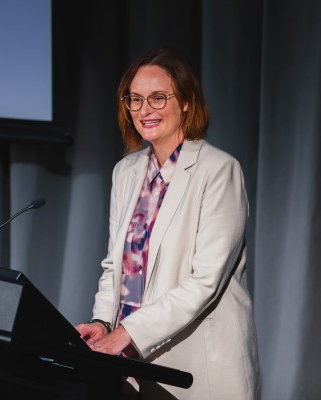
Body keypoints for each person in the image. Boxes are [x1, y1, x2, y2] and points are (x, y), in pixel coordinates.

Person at [75, 48, 260, 399]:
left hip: (198, 366)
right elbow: (116, 266)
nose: (145, 110)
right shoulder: (126, 172)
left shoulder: (219, 170)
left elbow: (205, 281)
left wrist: (128, 332)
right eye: (135, 99)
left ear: (187, 102)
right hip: (129, 363)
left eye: (158, 98)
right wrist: (103, 324)